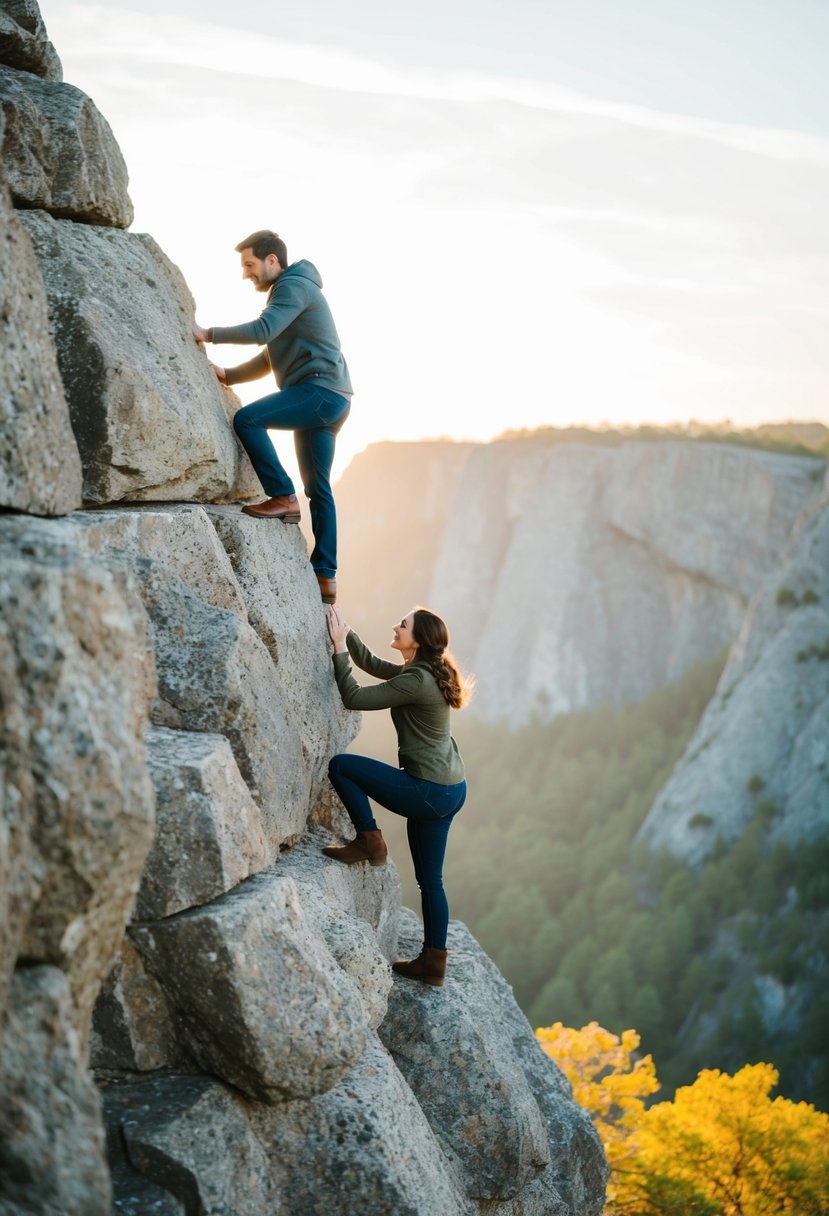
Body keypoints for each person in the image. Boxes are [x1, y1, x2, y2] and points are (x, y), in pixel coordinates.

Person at [193, 230, 352, 605]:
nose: (246, 274)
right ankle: (326, 578)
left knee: (247, 419)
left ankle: (281, 496)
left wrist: (207, 334)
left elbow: (263, 331)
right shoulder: (298, 291)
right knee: (319, 489)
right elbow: (271, 355)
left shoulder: (291, 288)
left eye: (249, 265)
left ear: (272, 261)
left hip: (318, 392)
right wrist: (229, 375)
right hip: (333, 397)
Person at [324, 604, 472, 987]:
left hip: (429, 791)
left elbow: (353, 697)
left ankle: (369, 841)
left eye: (402, 625)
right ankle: (433, 964)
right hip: (450, 789)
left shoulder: (417, 680)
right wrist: (345, 633)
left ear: (418, 640)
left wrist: (339, 650)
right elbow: (374, 664)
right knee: (431, 881)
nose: (395, 625)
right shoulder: (420, 672)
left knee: (341, 766)